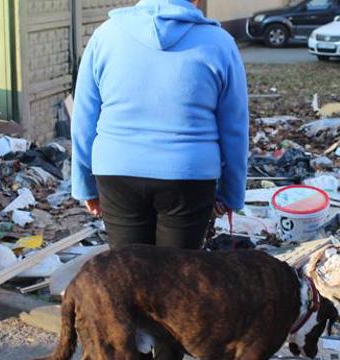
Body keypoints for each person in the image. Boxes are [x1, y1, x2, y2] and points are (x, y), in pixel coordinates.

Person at [71, 0, 248, 252]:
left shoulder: (105, 36)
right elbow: (235, 128)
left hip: (118, 172)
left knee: (130, 274)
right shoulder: (220, 43)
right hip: (188, 176)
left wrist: (84, 185)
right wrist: (231, 194)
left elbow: (83, 120)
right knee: (177, 277)